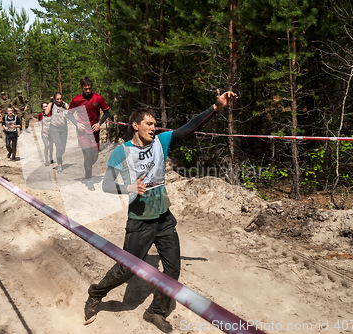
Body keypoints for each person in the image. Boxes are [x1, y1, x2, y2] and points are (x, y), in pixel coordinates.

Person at [83, 89, 238, 333]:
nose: (154, 127)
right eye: (149, 123)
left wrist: (216, 108)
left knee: (173, 269)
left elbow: (189, 128)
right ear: (135, 125)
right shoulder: (121, 152)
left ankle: (155, 311)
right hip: (140, 220)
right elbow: (106, 184)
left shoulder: (162, 142)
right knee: (125, 269)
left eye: (155, 124)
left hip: (164, 218)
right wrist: (129, 187)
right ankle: (95, 293)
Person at [69, 76, 111, 190]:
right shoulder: (76, 100)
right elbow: (69, 114)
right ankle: (89, 179)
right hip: (82, 132)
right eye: (85, 88)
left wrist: (100, 123)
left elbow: (107, 111)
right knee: (87, 155)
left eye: (89, 88)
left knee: (94, 157)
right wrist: (76, 123)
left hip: (94, 132)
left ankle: (87, 168)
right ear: (81, 87)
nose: (88, 90)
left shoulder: (98, 98)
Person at [48, 92, 76, 173]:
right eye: (57, 99)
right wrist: (50, 102)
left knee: (62, 148)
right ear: (54, 99)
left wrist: (67, 108)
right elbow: (46, 112)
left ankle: (59, 157)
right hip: (54, 129)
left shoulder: (64, 105)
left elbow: (70, 113)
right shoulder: (52, 105)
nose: (59, 100)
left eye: (60, 98)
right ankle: (60, 165)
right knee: (58, 145)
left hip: (63, 129)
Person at [40, 102, 52, 166]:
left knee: (50, 147)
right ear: (42, 108)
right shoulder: (40, 114)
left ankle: (51, 158)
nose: (45, 108)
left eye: (46, 106)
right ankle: (46, 160)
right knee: (46, 146)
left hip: (51, 133)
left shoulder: (51, 113)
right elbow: (38, 122)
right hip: (44, 133)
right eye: (44, 106)